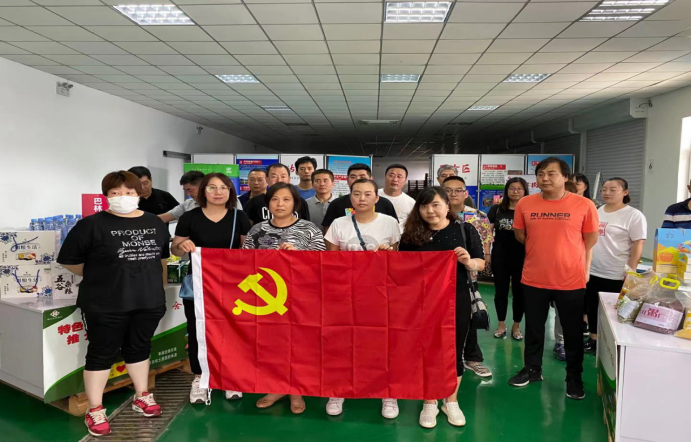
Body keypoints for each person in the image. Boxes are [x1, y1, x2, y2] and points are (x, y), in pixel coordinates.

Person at [57, 171, 171, 437]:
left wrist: (160, 287)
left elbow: (161, 258)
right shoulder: (91, 225)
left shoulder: (154, 222)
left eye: (129, 192)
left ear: (139, 194)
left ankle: (142, 395)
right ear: (106, 196)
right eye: (115, 193)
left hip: (148, 300)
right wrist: (101, 273)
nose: (123, 197)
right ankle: (95, 408)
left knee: (140, 347)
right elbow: (69, 260)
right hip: (105, 302)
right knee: (102, 352)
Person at [509, 157, 599, 401]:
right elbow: (520, 234)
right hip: (534, 278)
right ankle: (532, 370)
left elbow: (590, 239)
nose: (545, 178)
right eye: (540, 174)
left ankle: (574, 377)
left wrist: (568, 255)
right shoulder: (525, 203)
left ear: (565, 177)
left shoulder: (584, 205)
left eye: (551, 173)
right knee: (534, 329)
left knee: (572, 332)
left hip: (570, 279)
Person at [399, 187, 485, 429]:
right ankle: (429, 401)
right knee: (426, 350)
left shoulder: (464, 230)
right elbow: (403, 268)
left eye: (435, 204)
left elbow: (481, 263)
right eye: (424, 206)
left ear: (447, 205)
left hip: (456, 299)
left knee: (453, 349)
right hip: (421, 302)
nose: (430, 211)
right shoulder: (411, 234)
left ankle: (451, 400)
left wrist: (468, 262)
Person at [242, 183, 326, 414]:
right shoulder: (257, 230)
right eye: (275, 199)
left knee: (298, 345)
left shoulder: (309, 229)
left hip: (301, 299)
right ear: (268, 203)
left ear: (295, 203)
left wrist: (299, 256)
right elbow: (244, 263)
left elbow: (322, 264)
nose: (280, 204)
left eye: (286, 199)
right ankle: (276, 387)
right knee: (272, 344)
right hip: (266, 299)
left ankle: (296, 390)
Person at [171, 173, 252, 405]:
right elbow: (175, 249)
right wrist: (182, 245)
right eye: (212, 188)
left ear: (230, 192)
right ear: (203, 191)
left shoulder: (239, 217)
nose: (218, 192)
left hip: (232, 285)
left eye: (223, 188)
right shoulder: (189, 217)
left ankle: (230, 376)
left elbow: (248, 250)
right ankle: (200, 376)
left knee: (231, 329)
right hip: (198, 284)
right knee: (197, 329)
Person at [324, 179, 401, 418]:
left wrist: (388, 253)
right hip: (346, 295)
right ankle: (338, 390)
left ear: (377, 198)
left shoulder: (390, 223)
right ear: (350, 198)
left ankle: (388, 393)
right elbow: (331, 263)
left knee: (382, 344)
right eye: (356, 194)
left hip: (380, 295)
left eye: (368, 194)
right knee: (343, 343)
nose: (362, 198)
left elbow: (397, 260)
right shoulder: (338, 224)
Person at [584, 178, 647, 354]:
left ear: (625, 192)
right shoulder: (597, 211)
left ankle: (613, 344)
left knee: (613, 310)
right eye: (604, 189)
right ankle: (594, 339)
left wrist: (631, 270)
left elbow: (638, 243)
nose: (607, 193)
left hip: (617, 272)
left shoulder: (633, 215)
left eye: (613, 189)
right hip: (594, 269)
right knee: (592, 306)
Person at [442, 176, 493, 377]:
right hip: (438, 279)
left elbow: (486, 243)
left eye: (458, 190)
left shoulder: (478, 216)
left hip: (467, 275)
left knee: (469, 316)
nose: (453, 194)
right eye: (448, 190)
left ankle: (472, 357)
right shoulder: (432, 213)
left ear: (465, 193)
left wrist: (481, 264)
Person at [487, 178, 529, 341]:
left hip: (523, 257)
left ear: (525, 191)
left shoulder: (529, 209)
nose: (515, 191)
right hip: (500, 257)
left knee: (520, 293)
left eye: (519, 188)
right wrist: (487, 254)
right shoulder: (497, 209)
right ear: (506, 190)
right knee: (500, 292)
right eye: (512, 188)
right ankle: (501, 324)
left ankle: (516, 326)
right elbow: (488, 234)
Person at [321, 163, 398, 232]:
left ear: (371, 179)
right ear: (347, 180)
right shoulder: (336, 204)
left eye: (362, 177)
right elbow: (328, 231)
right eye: (353, 177)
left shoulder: (385, 203)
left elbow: (393, 230)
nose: (357, 180)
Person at [245, 164, 310, 224]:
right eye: (274, 176)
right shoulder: (254, 202)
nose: (279, 180)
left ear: (289, 179)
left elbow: (306, 226)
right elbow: (247, 229)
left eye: (283, 176)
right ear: (267, 179)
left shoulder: (300, 202)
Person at [378, 164, 416, 232]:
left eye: (399, 176)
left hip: (399, 237)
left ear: (405, 180)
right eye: (391, 175)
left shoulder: (411, 202)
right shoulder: (372, 195)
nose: (395, 179)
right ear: (385, 177)